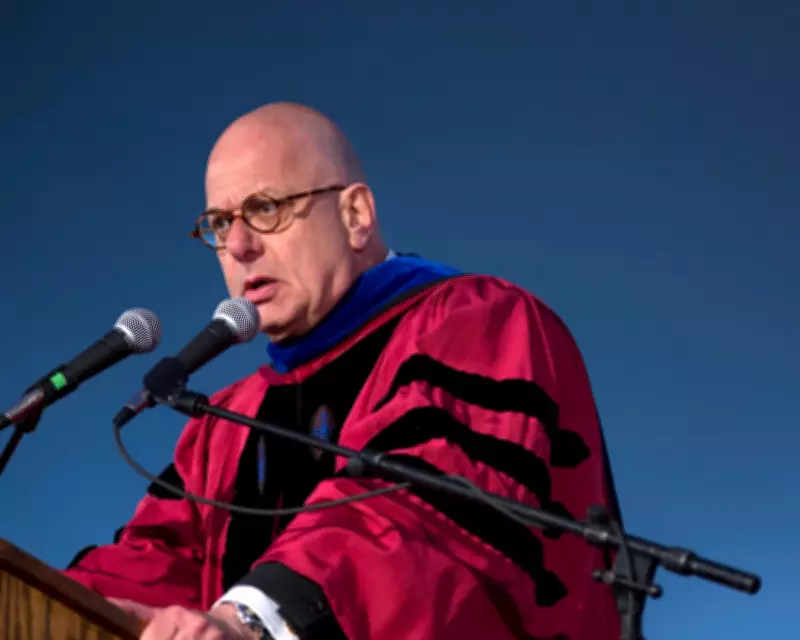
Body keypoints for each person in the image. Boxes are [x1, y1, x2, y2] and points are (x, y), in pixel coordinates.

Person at [64, 102, 622, 640]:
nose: (237, 245)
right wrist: (66, 602)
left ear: (355, 215)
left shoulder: (481, 321)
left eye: (265, 208)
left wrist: (254, 619)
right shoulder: (223, 423)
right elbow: (155, 562)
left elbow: (425, 513)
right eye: (219, 223)